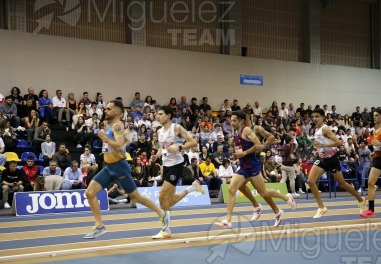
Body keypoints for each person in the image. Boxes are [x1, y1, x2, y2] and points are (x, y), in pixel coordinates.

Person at [82, 100, 168, 239]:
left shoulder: (117, 126)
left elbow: (119, 145)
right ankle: (99, 226)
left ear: (116, 112)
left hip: (119, 168)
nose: (105, 111)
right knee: (89, 193)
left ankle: (162, 214)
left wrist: (104, 138)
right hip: (109, 168)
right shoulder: (111, 126)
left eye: (109, 109)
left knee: (136, 197)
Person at [215, 111, 296, 229]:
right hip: (243, 167)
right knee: (232, 189)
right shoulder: (237, 133)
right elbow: (240, 151)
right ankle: (228, 220)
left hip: (252, 166)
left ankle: (286, 197)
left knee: (264, 193)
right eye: (230, 121)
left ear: (241, 121)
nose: (231, 123)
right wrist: (235, 152)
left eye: (233, 121)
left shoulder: (247, 130)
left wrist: (245, 153)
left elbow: (258, 145)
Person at [150, 106, 205, 239]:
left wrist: (180, 147)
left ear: (169, 115)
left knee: (162, 196)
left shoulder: (177, 128)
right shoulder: (159, 132)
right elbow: (161, 148)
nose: (158, 116)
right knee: (171, 200)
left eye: (161, 114)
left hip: (177, 165)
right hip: (166, 166)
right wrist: (156, 156)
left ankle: (166, 229)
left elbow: (193, 142)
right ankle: (192, 188)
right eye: (157, 114)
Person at [306, 108, 366, 218]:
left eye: (317, 116)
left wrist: (323, 146)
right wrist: (318, 148)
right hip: (322, 159)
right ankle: (321, 207)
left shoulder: (325, 129)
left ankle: (361, 199)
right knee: (310, 181)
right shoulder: (316, 129)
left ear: (323, 117)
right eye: (313, 116)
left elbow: (339, 142)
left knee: (342, 184)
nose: (314, 118)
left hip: (332, 160)